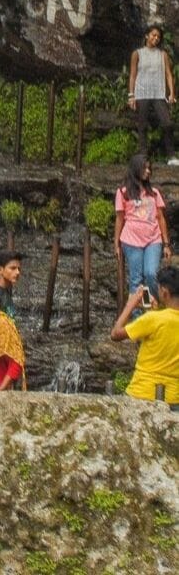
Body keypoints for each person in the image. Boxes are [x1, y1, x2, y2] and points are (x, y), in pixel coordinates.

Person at [111, 264, 179, 405]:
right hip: (174, 398)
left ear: (165, 292)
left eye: (159, 289)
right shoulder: (155, 318)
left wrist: (130, 305)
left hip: (142, 395)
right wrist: (151, 311)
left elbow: (115, 334)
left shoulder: (153, 320)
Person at [114, 154, 171, 304]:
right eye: (144, 167)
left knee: (151, 274)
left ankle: (155, 305)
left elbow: (160, 218)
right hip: (131, 241)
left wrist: (166, 244)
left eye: (149, 168)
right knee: (137, 280)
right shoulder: (123, 193)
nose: (148, 171)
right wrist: (116, 244)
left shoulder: (154, 193)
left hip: (153, 239)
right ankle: (141, 314)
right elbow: (119, 219)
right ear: (136, 168)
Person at [127, 25, 178, 164]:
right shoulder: (137, 53)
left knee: (167, 123)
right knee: (142, 125)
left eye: (158, 37)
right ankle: (143, 156)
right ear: (146, 36)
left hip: (159, 94)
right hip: (142, 93)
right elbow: (132, 75)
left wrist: (172, 93)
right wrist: (131, 95)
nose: (156, 38)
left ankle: (171, 156)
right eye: (153, 35)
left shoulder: (163, 54)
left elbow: (168, 74)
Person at [0, 250, 23, 320]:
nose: (17, 272)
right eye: (13, 268)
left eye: (19, 269)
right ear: (0, 270)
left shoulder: (5, 291)